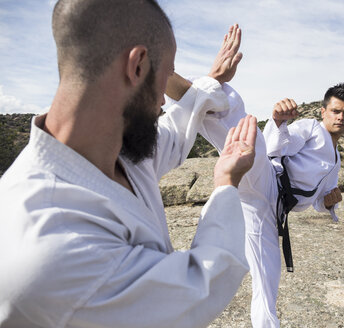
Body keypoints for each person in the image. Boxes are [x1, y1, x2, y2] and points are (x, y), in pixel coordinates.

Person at [0, 1, 256, 327]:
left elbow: (174, 130)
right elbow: (194, 293)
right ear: (136, 66)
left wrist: (212, 82)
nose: (164, 100)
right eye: (165, 79)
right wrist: (225, 186)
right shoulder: (52, 245)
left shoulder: (115, 149)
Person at [194, 80, 344, 327]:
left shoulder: (336, 161)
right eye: (336, 111)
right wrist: (279, 121)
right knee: (246, 141)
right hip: (269, 181)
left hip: (272, 213)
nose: (341, 117)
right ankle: (192, 95)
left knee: (267, 283)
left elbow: (318, 202)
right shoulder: (310, 128)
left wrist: (329, 203)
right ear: (323, 111)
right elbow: (276, 146)